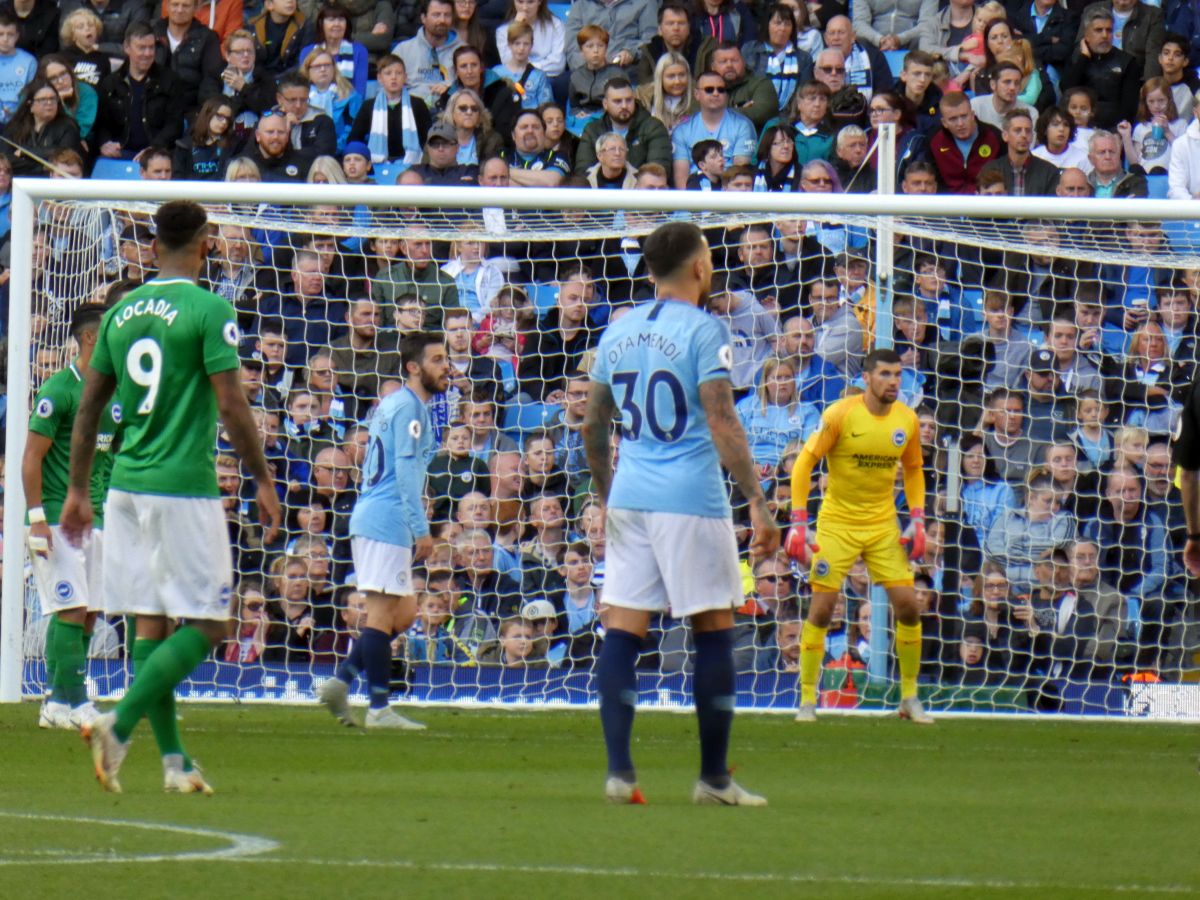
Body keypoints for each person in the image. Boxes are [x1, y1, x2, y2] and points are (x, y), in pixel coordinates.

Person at [62, 200, 281, 795]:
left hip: (125, 484)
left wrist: (79, 489)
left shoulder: (122, 310)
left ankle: (176, 763)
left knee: (152, 624)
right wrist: (261, 477)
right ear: (206, 242)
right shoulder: (209, 308)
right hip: (182, 486)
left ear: (154, 244)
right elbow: (232, 403)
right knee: (212, 623)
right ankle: (120, 721)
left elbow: (89, 407)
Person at [583, 220, 779, 806]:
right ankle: (713, 779)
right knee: (714, 629)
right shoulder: (703, 329)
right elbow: (721, 418)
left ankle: (620, 773)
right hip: (692, 499)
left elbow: (594, 423)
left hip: (632, 496)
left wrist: (607, 492)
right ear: (699, 268)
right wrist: (757, 501)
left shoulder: (617, 331)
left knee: (623, 629)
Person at [785, 348, 932, 724]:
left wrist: (917, 517)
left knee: (909, 607)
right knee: (821, 611)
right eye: (885, 374)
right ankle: (806, 699)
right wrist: (799, 521)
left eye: (898, 375)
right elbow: (804, 463)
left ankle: (910, 697)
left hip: (882, 524)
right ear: (866, 378)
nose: (893, 381)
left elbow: (914, 470)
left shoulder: (907, 420)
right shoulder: (839, 414)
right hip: (837, 524)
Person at [318, 331, 450, 729]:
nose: (447, 367)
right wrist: (421, 528)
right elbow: (406, 471)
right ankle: (378, 708)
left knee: (404, 613)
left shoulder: (393, 404)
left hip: (378, 517)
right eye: (438, 359)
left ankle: (340, 683)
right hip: (387, 519)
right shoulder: (409, 409)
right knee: (379, 617)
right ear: (414, 367)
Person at [24, 304, 114, 730]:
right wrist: (36, 518)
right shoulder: (59, 391)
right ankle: (75, 703)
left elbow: (110, 458)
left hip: (96, 519)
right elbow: (31, 457)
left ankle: (58, 701)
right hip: (58, 520)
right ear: (92, 338)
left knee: (91, 611)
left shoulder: (114, 393)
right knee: (70, 608)